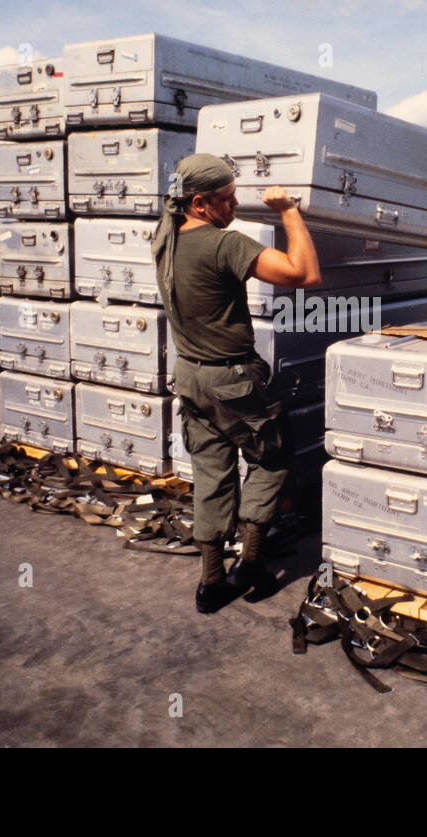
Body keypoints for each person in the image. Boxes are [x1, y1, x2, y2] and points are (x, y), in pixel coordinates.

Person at [151, 153, 321, 614]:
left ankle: (211, 583)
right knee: (272, 459)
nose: (235, 204)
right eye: (227, 199)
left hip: (190, 376)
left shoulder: (164, 237)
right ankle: (249, 563)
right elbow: (305, 274)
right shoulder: (224, 245)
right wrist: (288, 211)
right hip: (233, 380)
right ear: (200, 203)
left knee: (211, 472)